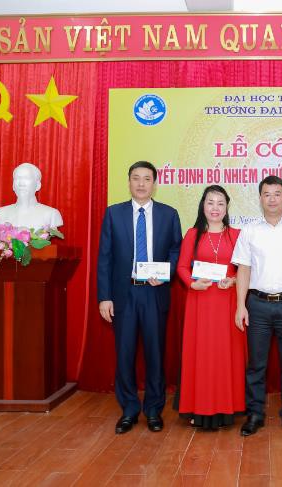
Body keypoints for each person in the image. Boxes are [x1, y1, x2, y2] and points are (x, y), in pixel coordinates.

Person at [97, 161, 182, 434]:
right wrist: (104, 297)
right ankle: (129, 409)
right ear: (129, 182)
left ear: (154, 183)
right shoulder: (114, 213)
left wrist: (166, 273)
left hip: (154, 292)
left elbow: (176, 251)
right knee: (124, 354)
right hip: (124, 294)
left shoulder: (169, 214)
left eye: (147, 178)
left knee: (155, 353)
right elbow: (105, 258)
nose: (141, 184)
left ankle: (154, 410)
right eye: (136, 178)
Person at [231, 175, 282, 437]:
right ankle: (255, 413)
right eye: (267, 194)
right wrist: (241, 305)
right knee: (256, 364)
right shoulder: (250, 230)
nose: (272, 199)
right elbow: (243, 270)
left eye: (277, 194)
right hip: (258, 305)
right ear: (260, 198)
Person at [175, 185, 245, 430]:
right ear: (202, 206)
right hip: (200, 302)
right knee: (202, 354)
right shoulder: (193, 234)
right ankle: (199, 407)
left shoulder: (237, 235)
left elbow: (244, 269)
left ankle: (227, 407)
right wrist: (192, 283)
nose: (215, 208)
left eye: (220, 203)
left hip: (228, 302)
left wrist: (233, 280)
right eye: (210, 202)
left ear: (227, 207)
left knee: (226, 354)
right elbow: (182, 267)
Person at [0, 162, 63, 229]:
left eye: (27, 178)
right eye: (17, 178)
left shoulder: (51, 214)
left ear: (38, 185)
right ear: (13, 186)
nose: (21, 183)